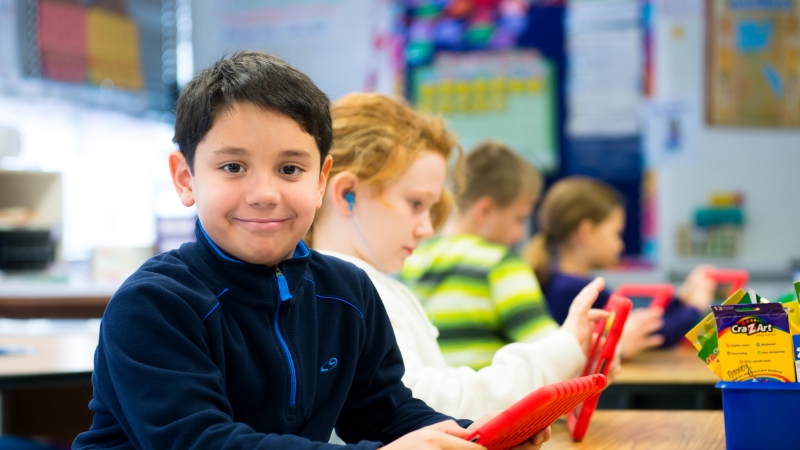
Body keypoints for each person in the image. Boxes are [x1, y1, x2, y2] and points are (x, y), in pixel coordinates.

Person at [73, 52, 546, 450]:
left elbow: (386, 413)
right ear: (185, 178)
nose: (265, 193)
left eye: (291, 169)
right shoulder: (154, 304)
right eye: (233, 166)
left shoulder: (348, 291)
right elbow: (201, 441)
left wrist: (481, 437)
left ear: (321, 181)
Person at [310, 93, 609, 420]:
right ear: (346, 194)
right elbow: (429, 407)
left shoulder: (367, 283)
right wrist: (562, 352)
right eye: (415, 203)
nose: (426, 228)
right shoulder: (348, 293)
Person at [400, 141, 561, 370]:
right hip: (491, 402)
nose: (519, 234)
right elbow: (550, 350)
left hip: (428, 402)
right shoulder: (501, 263)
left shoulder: (414, 259)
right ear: (485, 211)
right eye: (520, 219)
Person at [523, 176, 716, 358]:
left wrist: (681, 300)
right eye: (616, 233)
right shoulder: (578, 292)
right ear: (587, 232)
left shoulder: (561, 282)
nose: (621, 245)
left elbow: (638, 318)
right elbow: (652, 335)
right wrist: (694, 307)